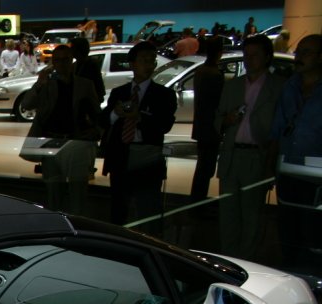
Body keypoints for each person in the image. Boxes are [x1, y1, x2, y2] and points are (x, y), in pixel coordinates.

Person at [215, 35, 283, 257]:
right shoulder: (233, 85)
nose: (249, 60)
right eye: (246, 55)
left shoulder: (278, 87)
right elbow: (217, 119)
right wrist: (227, 120)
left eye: (254, 56)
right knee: (228, 213)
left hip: (257, 156)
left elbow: (280, 128)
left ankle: (247, 261)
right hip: (232, 155)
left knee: (252, 215)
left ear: (266, 57)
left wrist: (271, 165)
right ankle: (228, 259)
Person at [100, 41, 177, 228]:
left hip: (147, 157)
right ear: (132, 64)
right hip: (120, 156)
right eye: (143, 60)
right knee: (119, 210)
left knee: (147, 210)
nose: (148, 65)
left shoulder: (164, 94)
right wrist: (115, 114)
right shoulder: (119, 92)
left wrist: (139, 117)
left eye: (152, 61)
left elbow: (164, 125)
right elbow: (103, 121)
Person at [22, 45, 101, 215]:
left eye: (65, 59)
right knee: (53, 197)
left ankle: (77, 231)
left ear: (71, 61)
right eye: (57, 60)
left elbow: (96, 114)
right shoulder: (47, 85)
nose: (61, 63)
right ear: (52, 62)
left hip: (76, 144)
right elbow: (26, 105)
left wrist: (94, 133)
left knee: (78, 196)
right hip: (50, 143)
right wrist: (39, 84)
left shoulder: (84, 85)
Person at [271, 34, 322, 263]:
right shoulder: (289, 87)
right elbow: (278, 128)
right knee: (288, 231)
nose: (299, 57)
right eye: (298, 51)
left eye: (306, 52)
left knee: (314, 235)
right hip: (288, 170)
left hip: (317, 177)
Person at [189, 36, 225, 203]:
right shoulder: (214, 74)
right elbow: (218, 103)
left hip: (202, 125)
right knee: (206, 168)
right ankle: (198, 202)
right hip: (211, 127)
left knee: (203, 167)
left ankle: (196, 201)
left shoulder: (201, 71)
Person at [71, 37, 104, 103]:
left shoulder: (91, 65)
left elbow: (98, 88)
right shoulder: (75, 64)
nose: (70, 50)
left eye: (72, 48)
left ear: (78, 50)